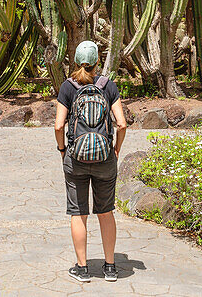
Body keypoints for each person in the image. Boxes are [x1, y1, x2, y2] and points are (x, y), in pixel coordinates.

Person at [54, 40, 128, 283]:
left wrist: (63, 150)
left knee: (78, 213)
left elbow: (58, 125)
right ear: (98, 62)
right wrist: (115, 149)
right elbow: (122, 124)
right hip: (105, 158)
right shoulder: (109, 86)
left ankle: (83, 269)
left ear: (75, 61)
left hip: (76, 159)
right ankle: (110, 267)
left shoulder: (67, 87)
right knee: (105, 212)